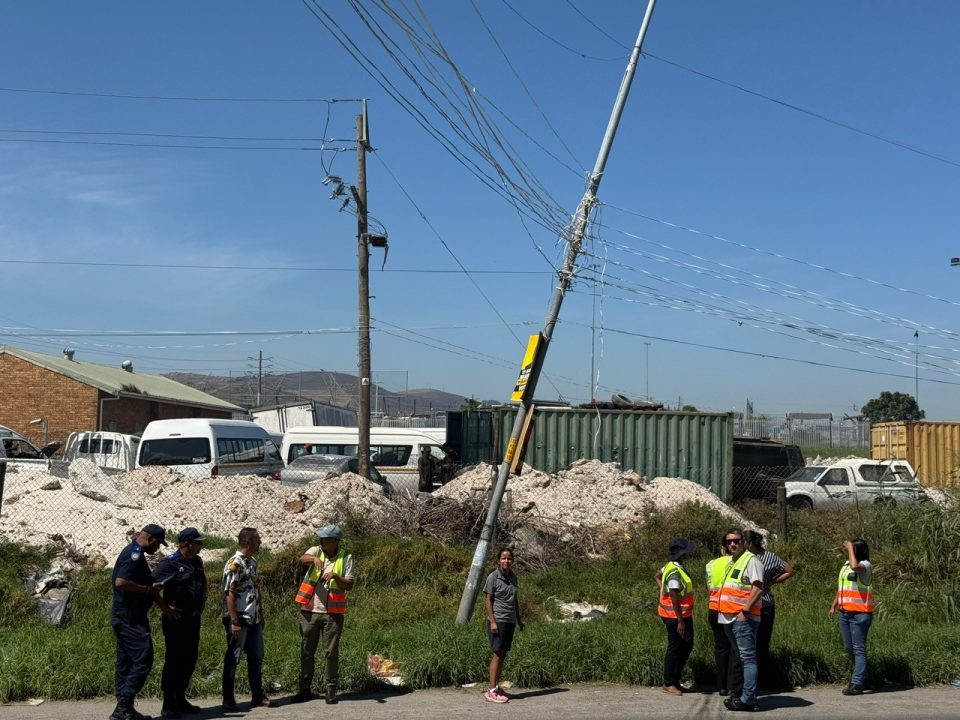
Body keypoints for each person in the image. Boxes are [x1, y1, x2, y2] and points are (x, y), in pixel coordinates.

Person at [110, 524, 178, 720]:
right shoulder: (133, 554)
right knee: (143, 659)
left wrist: (161, 603)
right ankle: (123, 705)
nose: (158, 548)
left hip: (127, 615)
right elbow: (121, 582)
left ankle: (124, 708)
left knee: (125, 662)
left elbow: (145, 583)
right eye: (158, 543)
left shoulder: (136, 553)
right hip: (130, 617)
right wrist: (147, 590)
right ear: (150, 539)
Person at [290, 524, 355, 705]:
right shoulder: (316, 550)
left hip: (333, 613)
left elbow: (349, 584)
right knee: (306, 650)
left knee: (331, 652)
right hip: (310, 611)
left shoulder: (346, 557)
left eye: (325, 539)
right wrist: (313, 559)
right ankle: (304, 689)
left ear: (335, 541)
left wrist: (335, 576)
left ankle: (331, 689)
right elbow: (302, 559)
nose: (321, 541)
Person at [153, 528, 208, 719]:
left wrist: (203, 598)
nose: (201, 546)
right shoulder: (171, 563)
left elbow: (201, 581)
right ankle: (168, 702)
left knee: (190, 658)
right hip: (176, 620)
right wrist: (165, 608)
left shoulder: (197, 561)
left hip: (193, 618)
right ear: (188, 544)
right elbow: (151, 587)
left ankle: (180, 697)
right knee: (174, 659)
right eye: (198, 542)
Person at [221, 527, 277, 711]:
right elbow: (229, 593)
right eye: (257, 539)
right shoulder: (235, 563)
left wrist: (261, 614)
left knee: (256, 657)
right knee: (233, 658)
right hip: (240, 619)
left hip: (254, 619)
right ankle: (228, 698)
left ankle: (257, 696)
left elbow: (255, 589)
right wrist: (234, 621)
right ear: (247, 542)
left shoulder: (252, 562)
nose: (260, 542)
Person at [717, 528, 764, 712]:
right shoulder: (732, 562)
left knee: (748, 659)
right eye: (729, 541)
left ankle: (748, 699)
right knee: (743, 659)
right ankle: (747, 696)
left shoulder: (751, 560)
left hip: (743, 618)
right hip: (729, 618)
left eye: (736, 540)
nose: (732, 544)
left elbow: (758, 588)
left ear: (744, 542)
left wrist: (745, 611)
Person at [744, 530, 794, 688]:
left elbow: (789, 570)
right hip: (757, 603)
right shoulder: (768, 557)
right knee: (757, 643)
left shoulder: (754, 558)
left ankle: (760, 679)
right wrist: (772, 581)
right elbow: (789, 570)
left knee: (758, 643)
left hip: (759, 603)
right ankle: (757, 680)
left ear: (750, 544)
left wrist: (772, 582)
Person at [828, 539, 874, 696]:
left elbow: (855, 567)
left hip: (860, 614)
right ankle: (863, 677)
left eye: (853, 548)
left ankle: (857, 683)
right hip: (845, 612)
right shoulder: (846, 565)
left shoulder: (866, 565)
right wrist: (834, 605)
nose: (849, 551)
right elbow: (842, 588)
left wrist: (849, 548)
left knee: (858, 648)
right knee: (849, 647)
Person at [655, 537, 697, 696]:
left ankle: (675, 679)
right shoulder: (674, 571)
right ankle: (669, 682)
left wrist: (662, 589)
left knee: (686, 645)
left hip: (680, 614)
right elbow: (673, 595)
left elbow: (657, 575)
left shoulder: (670, 566)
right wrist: (680, 621)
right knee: (675, 648)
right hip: (675, 616)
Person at [483, 548, 523, 704]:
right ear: (499, 560)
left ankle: (496, 687)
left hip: (509, 620)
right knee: (497, 654)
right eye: (503, 558)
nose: (506, 561)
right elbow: (488, 600)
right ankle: (491, 690)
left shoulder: (513, 577)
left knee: (503, 654)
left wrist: (518, 619)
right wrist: (493, 621)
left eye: (509, 558)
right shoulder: (493, 577)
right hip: (498, 619)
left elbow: (514, 599)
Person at [706, 538, 739, 697]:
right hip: (731, 608)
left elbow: (708, 586)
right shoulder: (736, 563)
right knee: (734, 648)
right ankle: (732, 685)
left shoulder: (711, 564)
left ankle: (721, 686)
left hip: (714, 608)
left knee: (721, 648)